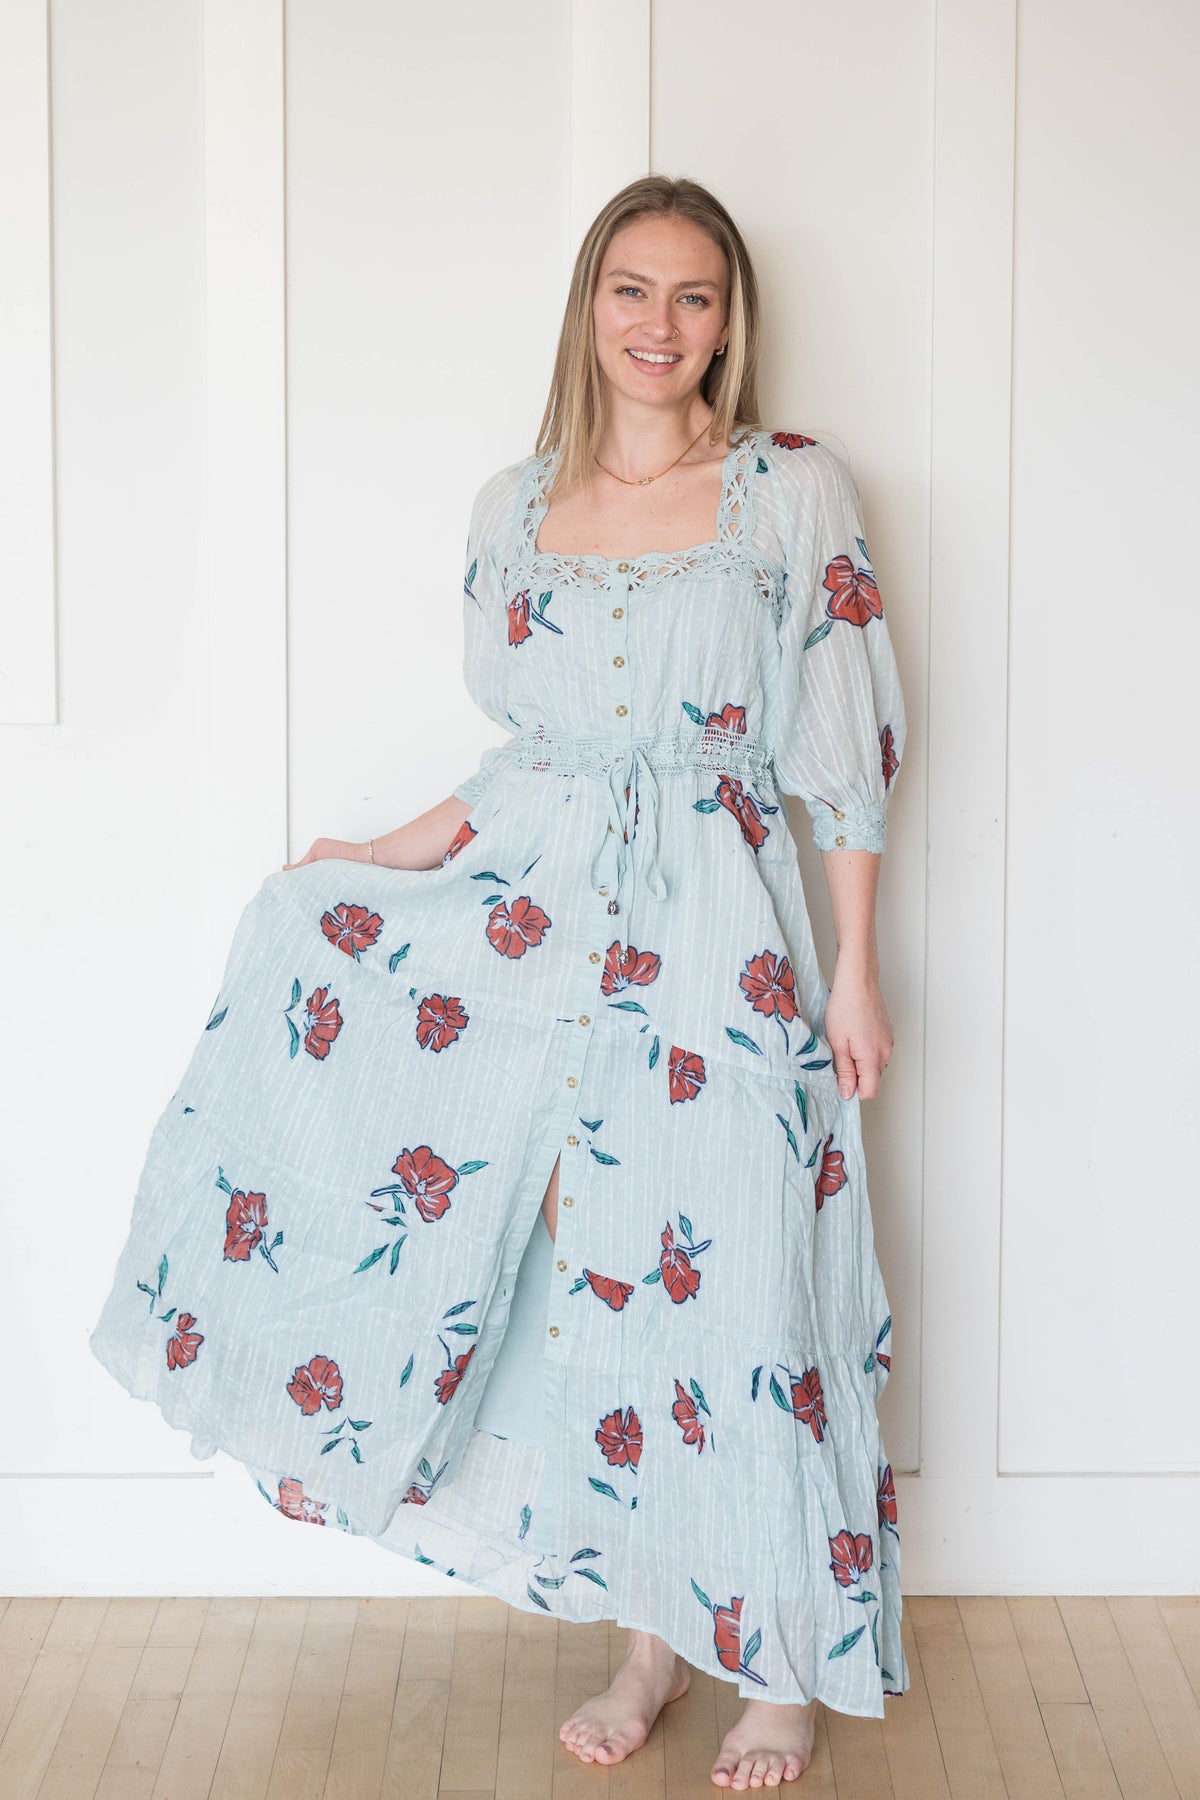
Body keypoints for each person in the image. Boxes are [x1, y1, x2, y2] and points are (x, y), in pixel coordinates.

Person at [90, 173, 910, 1791]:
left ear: (729, 321)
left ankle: (777, 1662)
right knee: (597, 1280)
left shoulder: (789, 491)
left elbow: (845, 746)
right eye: (631, 289)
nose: (660, 324)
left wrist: (858, 973)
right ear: (589, 306)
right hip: (544, 936)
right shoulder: (515, 505)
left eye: (692, 296)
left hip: (719, 938)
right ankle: (649, 1642)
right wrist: (375, 858)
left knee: (737, 1278)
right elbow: (525, 762)